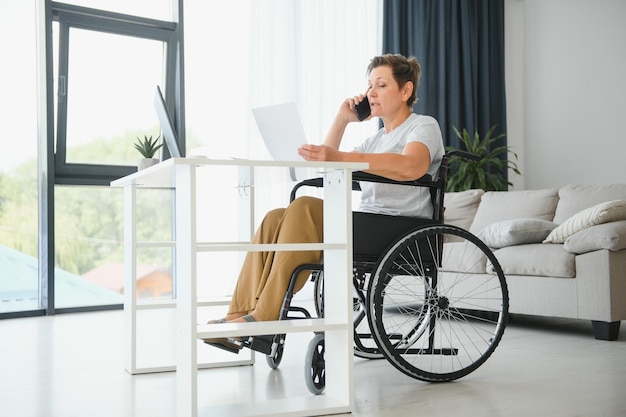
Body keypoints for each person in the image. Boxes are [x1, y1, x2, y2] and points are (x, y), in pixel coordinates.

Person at [204, 54, 444, 351]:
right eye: (370, 85)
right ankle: (239, 317)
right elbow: (329, 163)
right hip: (370, 225)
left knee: (305, 206)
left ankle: (264, 319)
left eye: (381, 85)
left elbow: (411, 166)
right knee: (275, 217)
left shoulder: (423, 126)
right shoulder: (376, 139)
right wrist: (342, 120)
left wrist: (342, 157)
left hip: (400, 229)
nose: (371, 92)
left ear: (405, 91)